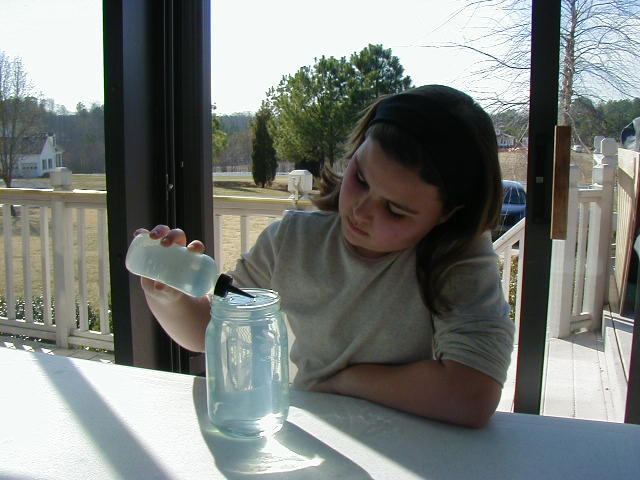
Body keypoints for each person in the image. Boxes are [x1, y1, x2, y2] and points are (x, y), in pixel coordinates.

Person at [136, 85, 514, 428]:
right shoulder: (292, 240)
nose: (361, 212)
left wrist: (346, 381)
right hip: (322, 434)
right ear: (357, 150)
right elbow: (204, 330)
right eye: (360, 178)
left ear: (447, 214)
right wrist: (167, 295)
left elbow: (472, 394)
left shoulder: (456, 259)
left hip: (415, 443)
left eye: (395, 210)